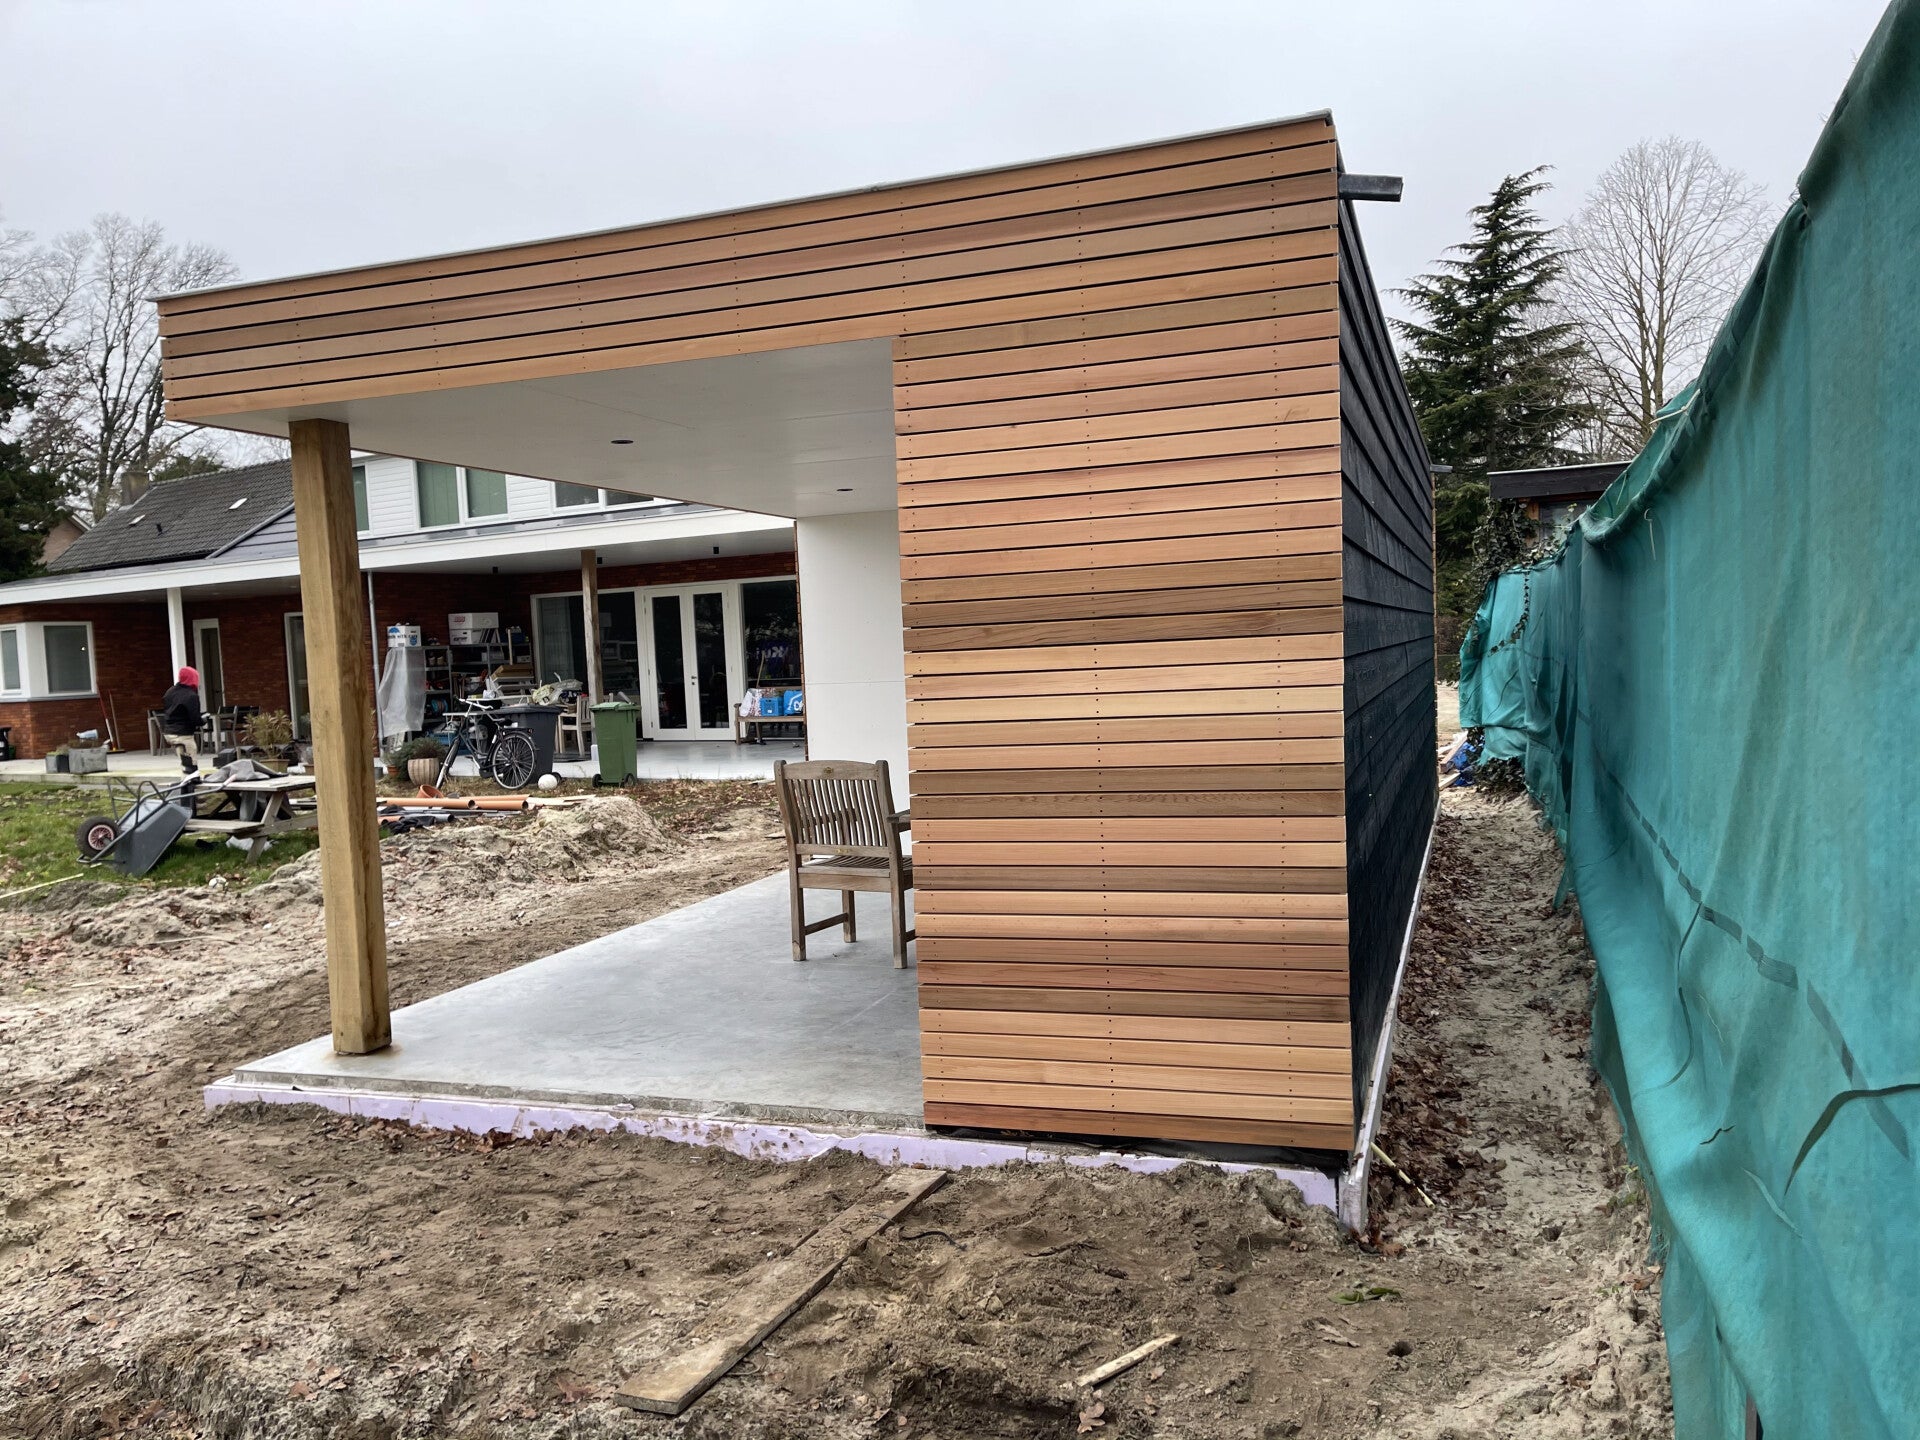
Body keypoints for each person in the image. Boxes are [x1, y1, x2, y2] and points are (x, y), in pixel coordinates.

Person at [159, 666, 202, 773]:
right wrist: (202, 721)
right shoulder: (191, 696)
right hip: (183, 734)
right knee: (191, 764)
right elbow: (195, 718)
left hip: (169, 732)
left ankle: (186, 777)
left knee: (184, 762)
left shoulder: (170, 692)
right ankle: (190, 778)